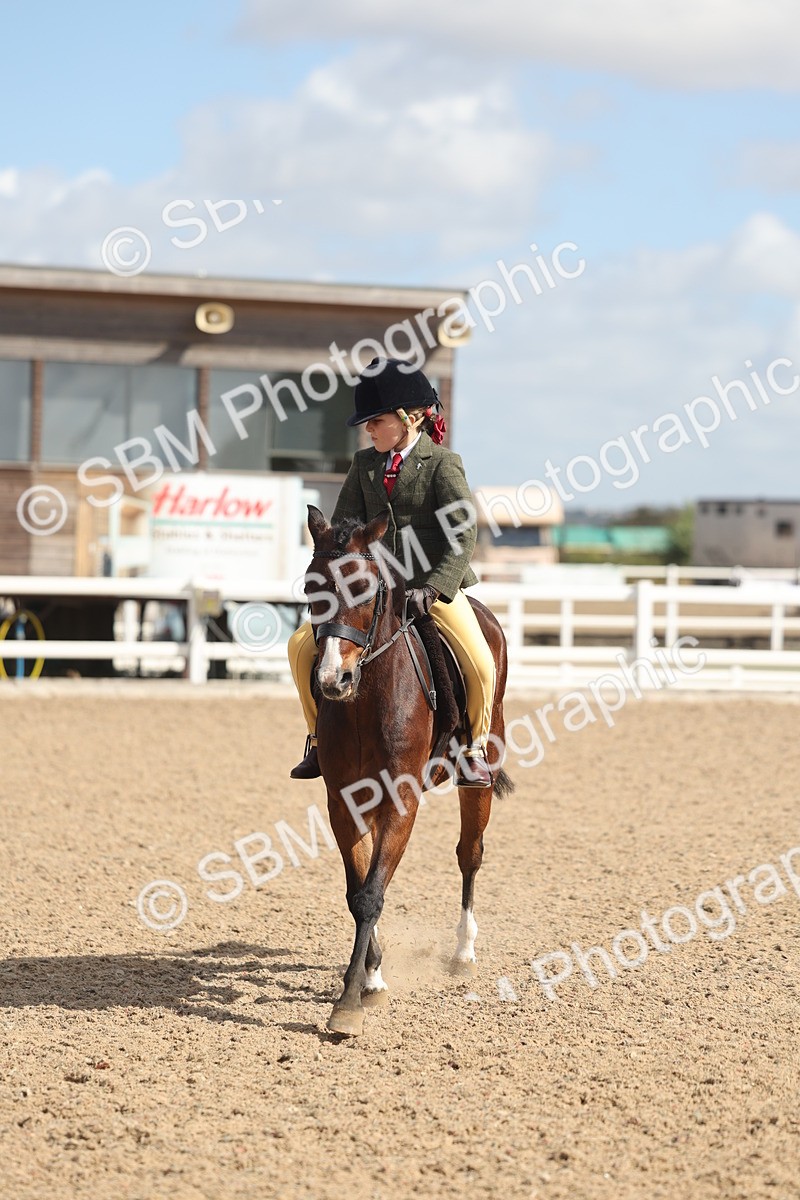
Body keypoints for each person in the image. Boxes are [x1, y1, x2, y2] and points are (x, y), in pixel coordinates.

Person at [287, 357, 496, 788]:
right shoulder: (363, 465)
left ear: (408, 419)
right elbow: (344, 530)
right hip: (371, 594)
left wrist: (437, 587)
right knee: (300, 647)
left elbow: (463, 531)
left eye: (376, 421)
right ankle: (316, 740)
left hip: (432, 588)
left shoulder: (442, 463)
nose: (369, 430)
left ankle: (473, 748)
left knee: (480, 661)